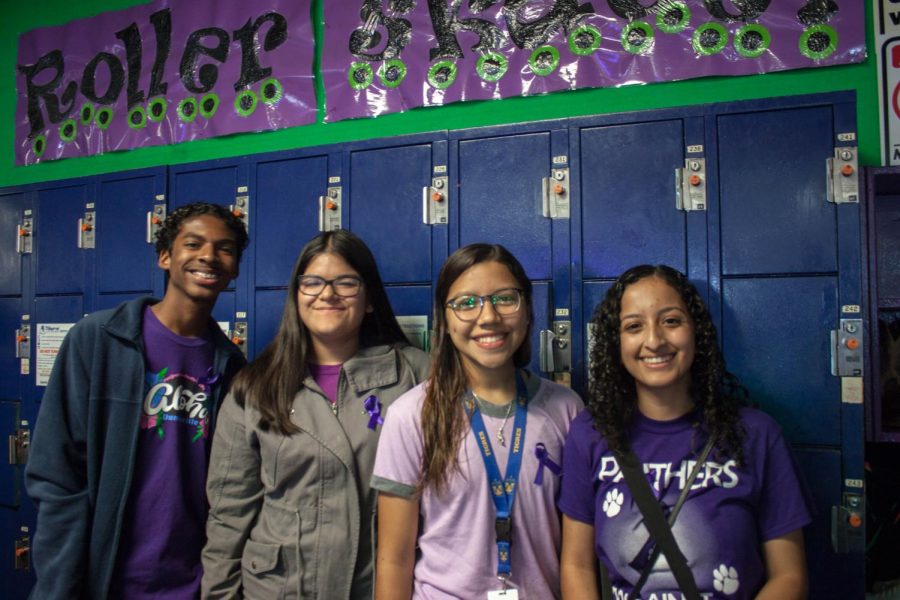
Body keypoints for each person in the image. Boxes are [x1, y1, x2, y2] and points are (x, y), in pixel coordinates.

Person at [25, 202, 249, 599]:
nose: (208, 256)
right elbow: (57, 474)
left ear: (233, 269)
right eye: (193, 243)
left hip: (194, 584)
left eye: (224, 248)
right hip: (106, 579)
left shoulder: (232, 367)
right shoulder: (98, 340)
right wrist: (60, 585)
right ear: (166, 256)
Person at [559, 265, 812, 600]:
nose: (654, 340)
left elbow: (790, 576)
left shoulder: (756, 434)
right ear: (616, 344)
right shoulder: (590, 434)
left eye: (671, 321)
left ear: (696, 331)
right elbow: (576, 566)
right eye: (634, 326)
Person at [201, 229, 429, 599]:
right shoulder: (254, 388)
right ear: (296, 295)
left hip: (379, 587)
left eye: (346, 282)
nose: (327, 294)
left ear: (369, 298)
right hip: (278, 589)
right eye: (312, 283)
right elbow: (229, 514)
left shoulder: (416, 375)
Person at [373, 243, 583, 599]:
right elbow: (394, 558)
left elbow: (577, 557)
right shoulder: (410, 416)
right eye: (466, 303)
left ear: (528, 311)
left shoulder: (565, 409)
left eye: (504, 298)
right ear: (445, 319)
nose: (488, 317)